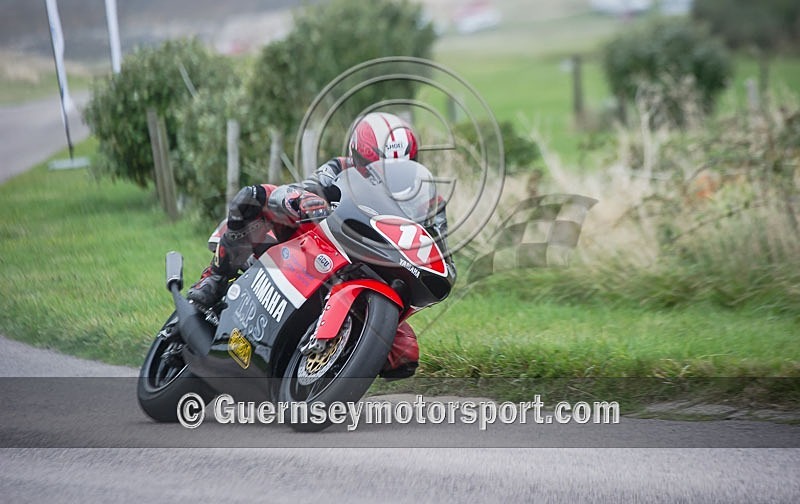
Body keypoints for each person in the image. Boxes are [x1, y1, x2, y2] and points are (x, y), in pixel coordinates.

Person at [187, 112, 455, 379]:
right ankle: (215, 278)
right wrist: (306, 199)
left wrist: (442, 265)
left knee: (404, 355)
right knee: (254, 197)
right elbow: (309, 187)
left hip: (377, 263)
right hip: (320, 238)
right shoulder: (340, 167)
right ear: (360, 158)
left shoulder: (426, 199)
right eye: (380, 169)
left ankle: (339, 357)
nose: (388, 177)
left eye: (399, 170)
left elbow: (438, 243)